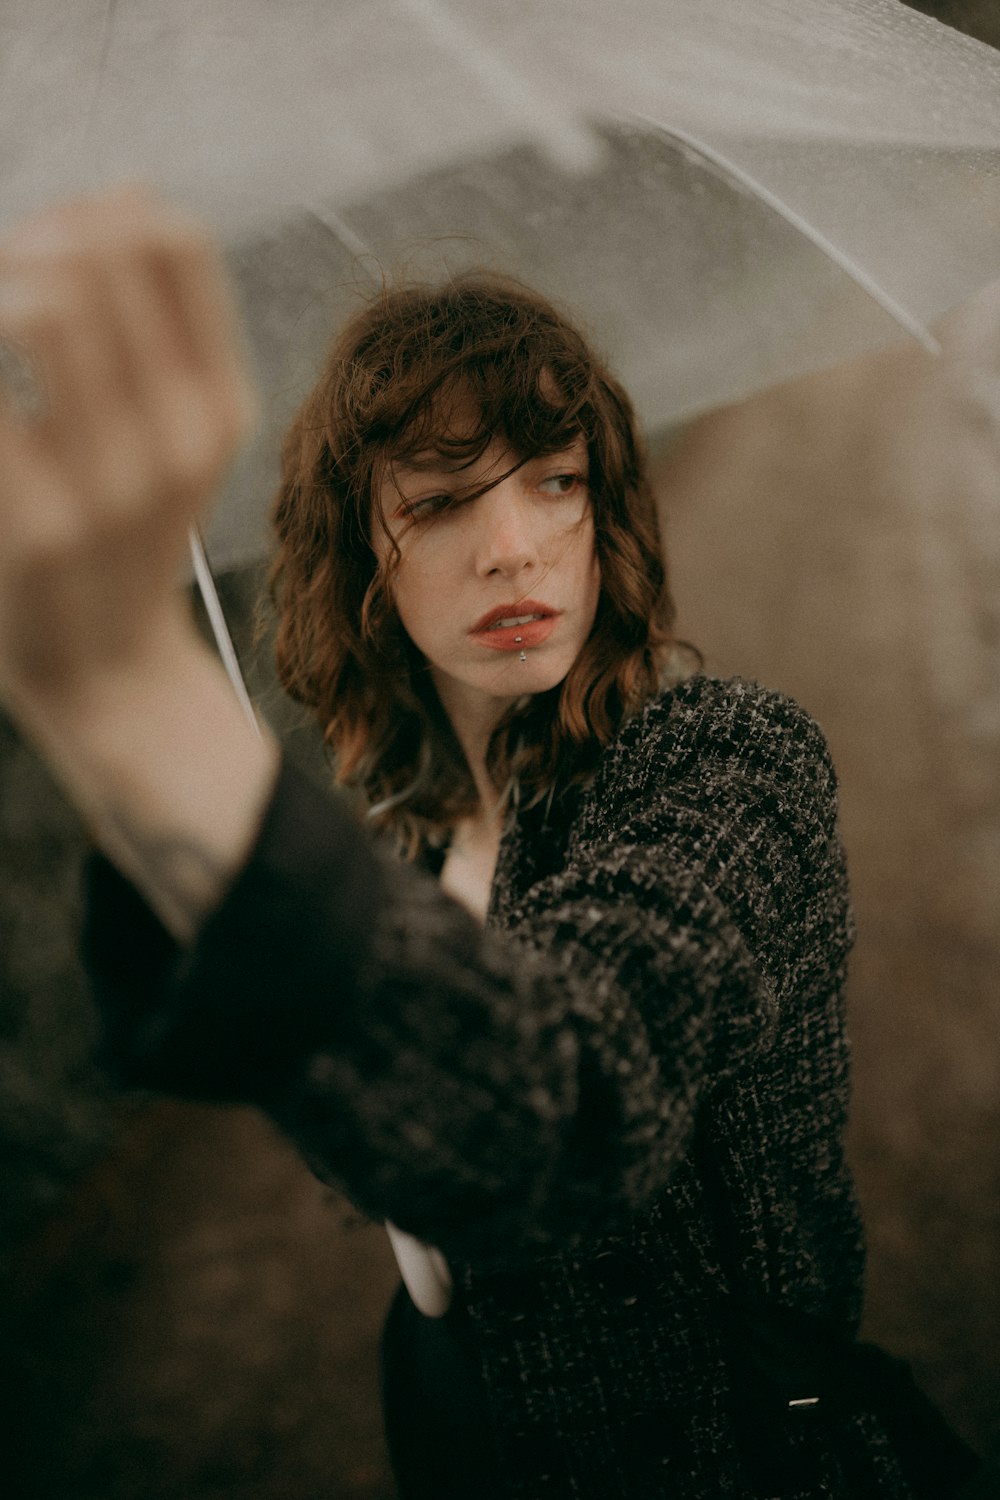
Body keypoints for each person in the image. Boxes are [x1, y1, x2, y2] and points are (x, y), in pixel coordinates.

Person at [0, 187, 974, 1500]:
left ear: (605, 509)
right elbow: (227, 1046)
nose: (515, 548)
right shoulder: (404, 843)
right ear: (362, 557)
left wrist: (122, 684)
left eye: (556, 483)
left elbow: (570, 1113)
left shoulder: (729, 763)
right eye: (447, 501)